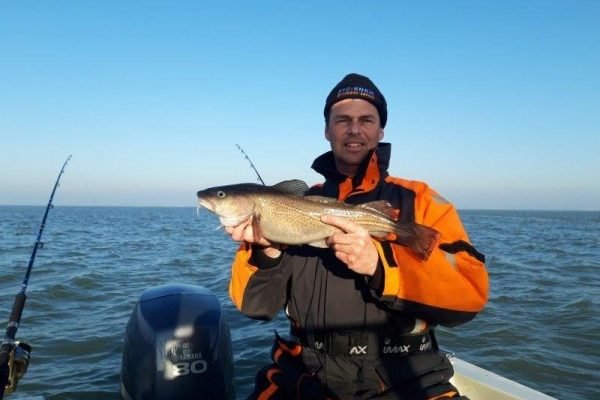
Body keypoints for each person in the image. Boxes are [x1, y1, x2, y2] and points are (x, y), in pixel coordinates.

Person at [225, 73, 489, 399]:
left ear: (381, 130)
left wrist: (381, 266)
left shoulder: (420, 199)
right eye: (342, 120)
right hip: (306, 373)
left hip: (405, 375)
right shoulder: (291, 206)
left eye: (366, 119)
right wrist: (267, 252)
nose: (354, 129)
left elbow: (470, 291)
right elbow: (255, 307)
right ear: (327, 130)